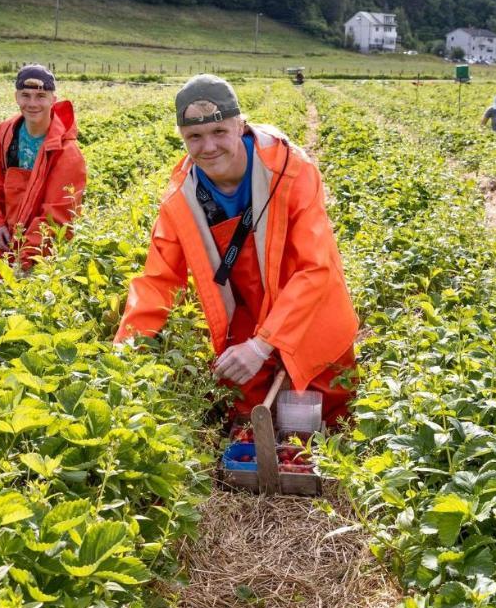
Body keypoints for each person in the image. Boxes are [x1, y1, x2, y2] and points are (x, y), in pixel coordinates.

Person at [115, 74, 359, 427]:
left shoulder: (291, 172)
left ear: (240, 125)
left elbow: (315, 269)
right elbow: (157, 280)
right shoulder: (182, 198)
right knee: (243, 411)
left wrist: (263, 345)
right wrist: (123, 356)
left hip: (308, 306)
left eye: (218, 132)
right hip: (244, 310)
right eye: (194, 137)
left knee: (322, 410)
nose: (208, 147)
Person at [0, 64, 87, 289]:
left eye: (40, 96)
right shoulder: (4, 133)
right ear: (16, 97)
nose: (32, 103)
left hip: (43, 240)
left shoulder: (67, 152)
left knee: (28, 295)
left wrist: (25, 261)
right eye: (25, 95)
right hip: (7, 231)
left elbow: (56, 215)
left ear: (53, 99)